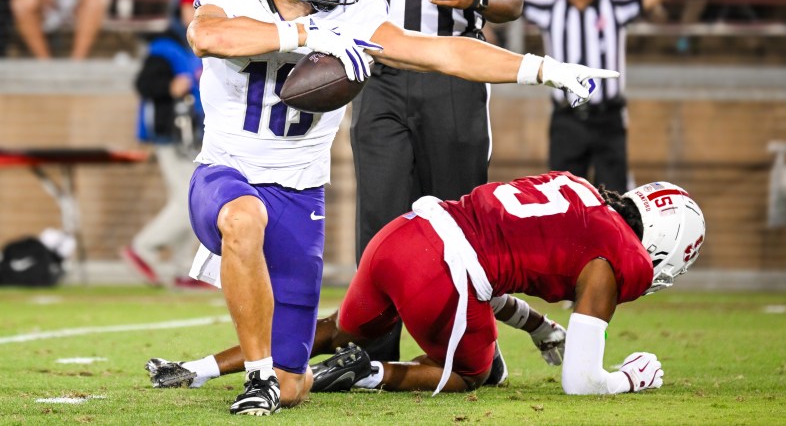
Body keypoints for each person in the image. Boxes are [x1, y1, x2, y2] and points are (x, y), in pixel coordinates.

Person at [170, 0, 615, 416]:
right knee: (243, 217)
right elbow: (207, 36)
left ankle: (281, 376)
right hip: (229, 169)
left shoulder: (352, 5)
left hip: (300, 189)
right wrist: (307, 34)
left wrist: (538, 68)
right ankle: (257, 375)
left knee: (295, 385)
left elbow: (439, 51)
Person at [148, 171, 706, 396]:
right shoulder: (619, 259)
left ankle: (195, 369)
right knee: (474, 374)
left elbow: (498, 265)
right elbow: (580, 381)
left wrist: (538, 326)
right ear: (664, 244)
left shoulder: (581, 193)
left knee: (335, 328)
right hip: (444, 271)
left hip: (405, 233)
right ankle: (367, 373)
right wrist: (631, 378)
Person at [332, 0, 533, 365]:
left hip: (454, 74)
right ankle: (372, 355)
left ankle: (472, 350)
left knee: (458, 221)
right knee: (379, 218)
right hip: (378, 71)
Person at [523, 0, 677, 195]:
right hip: (567, 119)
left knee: (614, 197)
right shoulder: (550, 8)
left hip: (608, 118)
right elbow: (507, 0)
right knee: (563, 199)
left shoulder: (614, 5)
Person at [121, 0, 205, 289]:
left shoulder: (194, 45)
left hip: (191, 135)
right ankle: (144, 248)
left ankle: (184, 268)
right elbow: (144, 83)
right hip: (170, 134)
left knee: (195, 200)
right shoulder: (165, 46)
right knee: (188, 201)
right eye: (188, 8)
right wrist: (170, 85)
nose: (193, 13)